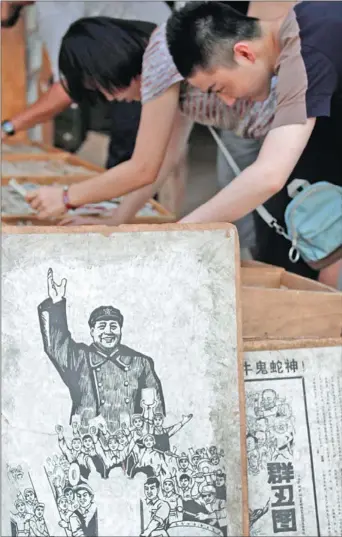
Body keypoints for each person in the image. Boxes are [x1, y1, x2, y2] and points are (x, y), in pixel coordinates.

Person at [25, 7, 281, 229]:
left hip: (294, 126)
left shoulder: (159, 59)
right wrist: (117, 219)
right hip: (279, 134)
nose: (110, 98)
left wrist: (67, 197)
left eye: (99, 87)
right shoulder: (168, 70)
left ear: (106, 63)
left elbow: (143, 168)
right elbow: (162, 162)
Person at [165, 1, 342, 286]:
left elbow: (269, 175)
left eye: (219, 88)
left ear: (244, 53)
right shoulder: (305, 23)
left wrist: (181, 231)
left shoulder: (305, 54)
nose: (228, 101)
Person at [0, 1, 170, 168]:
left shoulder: (54, 9)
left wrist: (8, 127)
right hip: (155, 44)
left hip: (149, 56)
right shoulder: (51, 9)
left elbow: (66, 90)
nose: (109, 97)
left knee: (130, 156)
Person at [37, 268, 165, 431]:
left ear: (120, 330)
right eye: (102, 326)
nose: (108, 332)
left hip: (131, 443)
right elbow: (56, 344)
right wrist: (56, 303)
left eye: (113, 326)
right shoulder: (79, 358)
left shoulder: (140, 362)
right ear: (92, 331)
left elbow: (155, 409)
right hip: (88, 443)